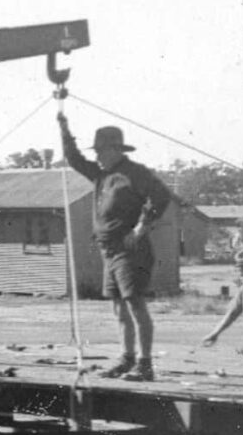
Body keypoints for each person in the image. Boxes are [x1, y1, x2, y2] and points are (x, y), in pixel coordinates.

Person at [58, 114, 171, 381]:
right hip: (108, 251)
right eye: (95, 151)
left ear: (115, 150)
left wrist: (141, 227)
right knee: (118, 308)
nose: (96, 156)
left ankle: (145, 365)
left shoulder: (135, 173)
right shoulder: (101, 175)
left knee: (135, 304)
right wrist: (64, 128)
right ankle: (126, 359)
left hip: (131, 250)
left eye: (100, 151)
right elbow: (74, 159)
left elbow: (161, 196)